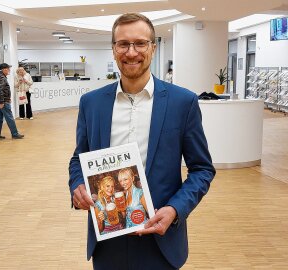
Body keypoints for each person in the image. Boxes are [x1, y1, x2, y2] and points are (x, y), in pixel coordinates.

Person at [68, 13, 215, 270]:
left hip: (161, 238)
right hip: (107, 239)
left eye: (140, 43)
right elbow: (79, 158)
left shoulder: (183, 103)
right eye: (123, 44)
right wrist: (78, 184)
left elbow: (202, 169)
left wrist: (175, 209)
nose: (131, 52)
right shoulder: (91, 103)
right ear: (114, 49)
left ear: (153, 48)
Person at [0, 63, 24, 140]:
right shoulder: (2, 78)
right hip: (3, 102)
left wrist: (3, 99)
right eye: (8, 68)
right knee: (10, 118)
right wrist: (2, 102)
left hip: (1, 100)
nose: (9, 70)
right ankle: (15, 134)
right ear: (4, 69)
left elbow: (1, 89)